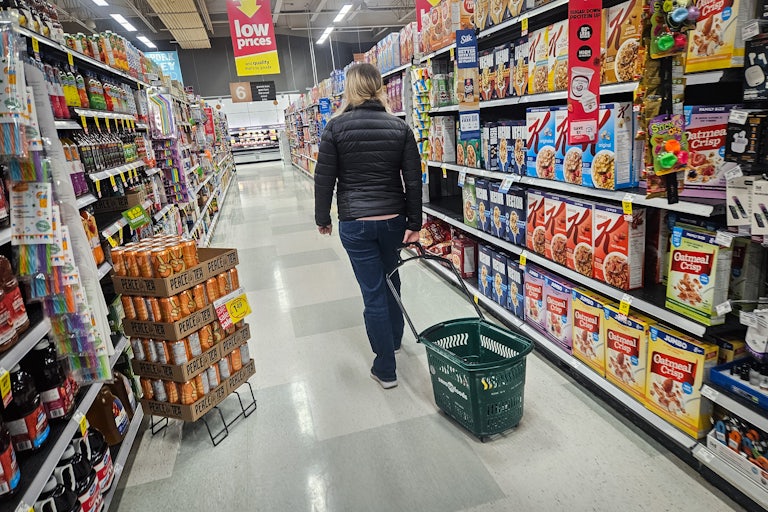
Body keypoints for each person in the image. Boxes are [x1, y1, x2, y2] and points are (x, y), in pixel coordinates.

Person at [314, 63, 422, 389]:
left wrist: (323, 218)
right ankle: (394, 340)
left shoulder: (334, 128)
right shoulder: (399, 127)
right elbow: (413, 181)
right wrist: (415, 222)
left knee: (373, 292)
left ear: (350, 89)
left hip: (356, 223)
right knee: (393, 280)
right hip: (393, 220)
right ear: (379, 87)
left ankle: (385, 369)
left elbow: (324, 180)